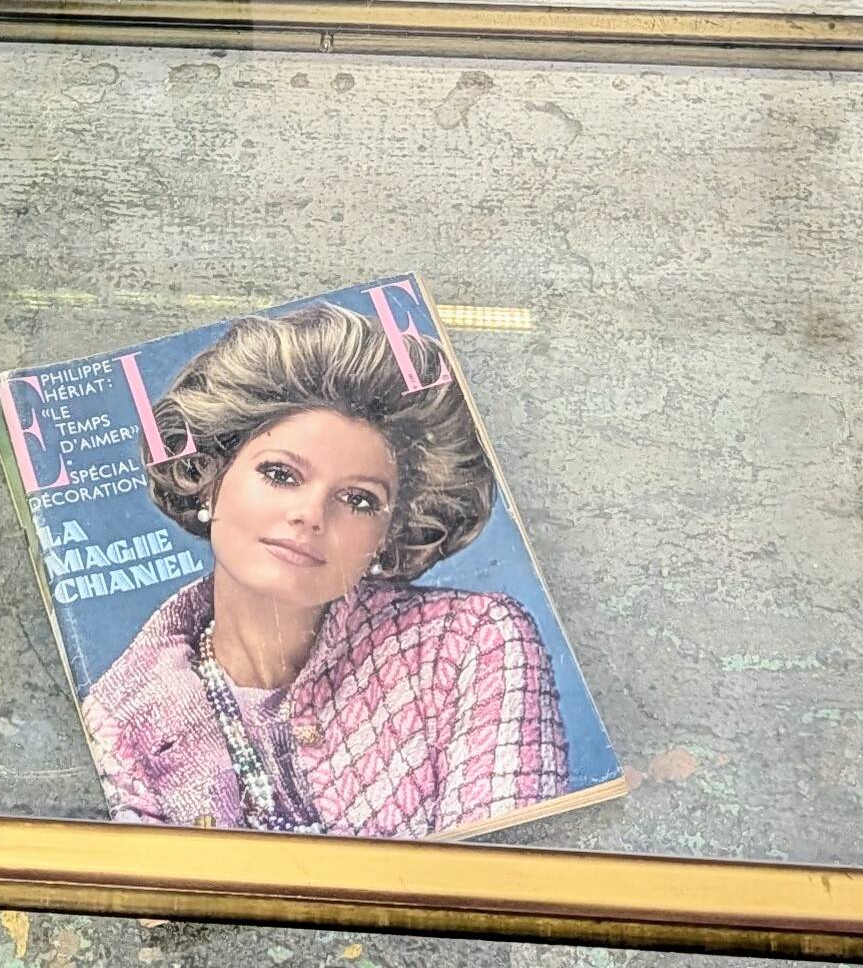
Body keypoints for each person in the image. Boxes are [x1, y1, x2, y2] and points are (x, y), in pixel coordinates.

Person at [78, 301, 569, 837]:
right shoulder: (120, 717)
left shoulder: (472, 644)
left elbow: (504, 887)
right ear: (210, 478)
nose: (311, 516)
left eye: (358, 500)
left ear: (390, 532)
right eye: (281, 474)